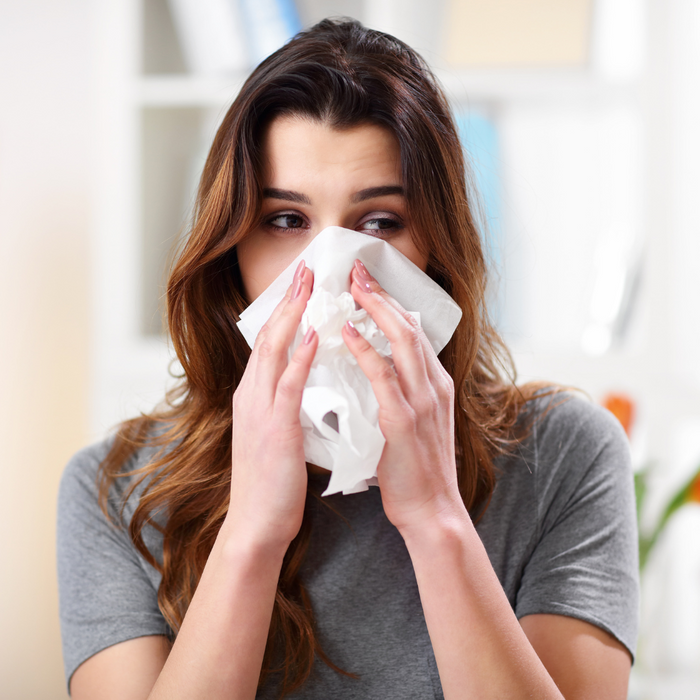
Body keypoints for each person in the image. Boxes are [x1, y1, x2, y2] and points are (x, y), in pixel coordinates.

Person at [57, 18, 639, 700]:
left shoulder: (564, 455)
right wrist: (251, 533)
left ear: (435, 247)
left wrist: (435, 520)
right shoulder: (120, 488)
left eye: (379, 224)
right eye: (285, 221)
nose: (328, 272)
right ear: (232, 246)